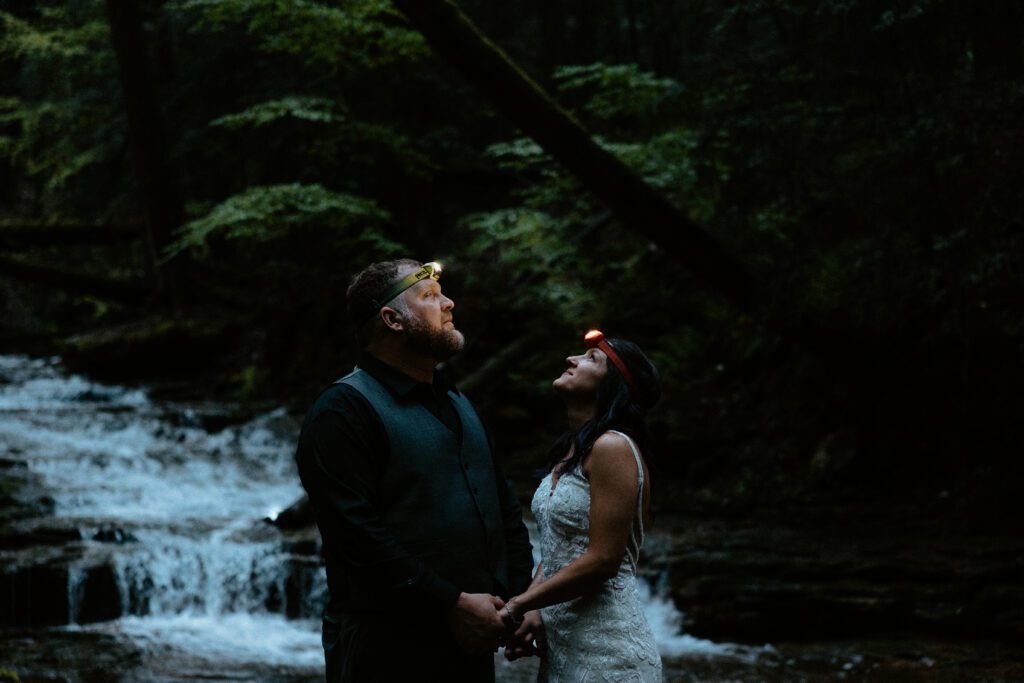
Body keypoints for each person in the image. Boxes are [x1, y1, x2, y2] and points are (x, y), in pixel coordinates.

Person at [294, 258, 534, 682]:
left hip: (471, 639)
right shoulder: (343, 410)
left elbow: (501, 504)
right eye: (430, 296)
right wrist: (450, 603)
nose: (448, 303)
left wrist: (519, 600)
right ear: (392, 319)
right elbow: (356, 535)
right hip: (386, 645)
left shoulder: (458, 401)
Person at [502, 329, 662, 682]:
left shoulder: (613, 447)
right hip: (564, 648)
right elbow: (563, 546)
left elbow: (603, 559)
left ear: (614, 386)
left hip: (610, 653)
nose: (571, 359)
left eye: (591, 359)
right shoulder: (571, 451)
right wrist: (535, 608)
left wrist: (518, 605)